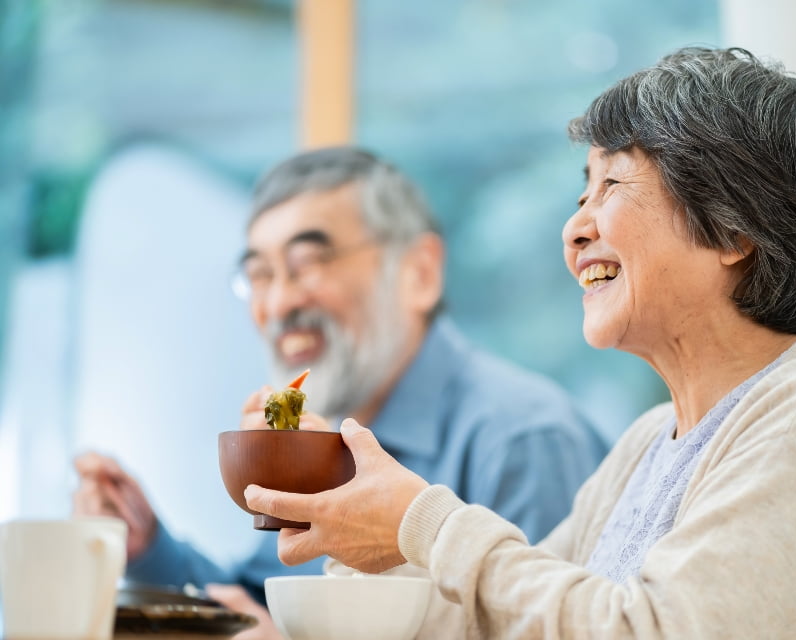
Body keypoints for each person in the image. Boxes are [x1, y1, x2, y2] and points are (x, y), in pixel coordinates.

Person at [243, 47, 796, 638]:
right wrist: (348, 503)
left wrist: (422, 521)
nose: (574, 229)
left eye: (613, 183)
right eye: (581, 194)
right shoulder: (647, 444)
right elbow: (495, 623)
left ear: (736, 229)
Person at [72, 147, 608, 629]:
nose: (278, 304)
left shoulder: (524, 439)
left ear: (419, 273)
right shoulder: (324, 438)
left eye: (307, 264)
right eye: (260, 275)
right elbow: (263, 603)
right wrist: (149, 548)